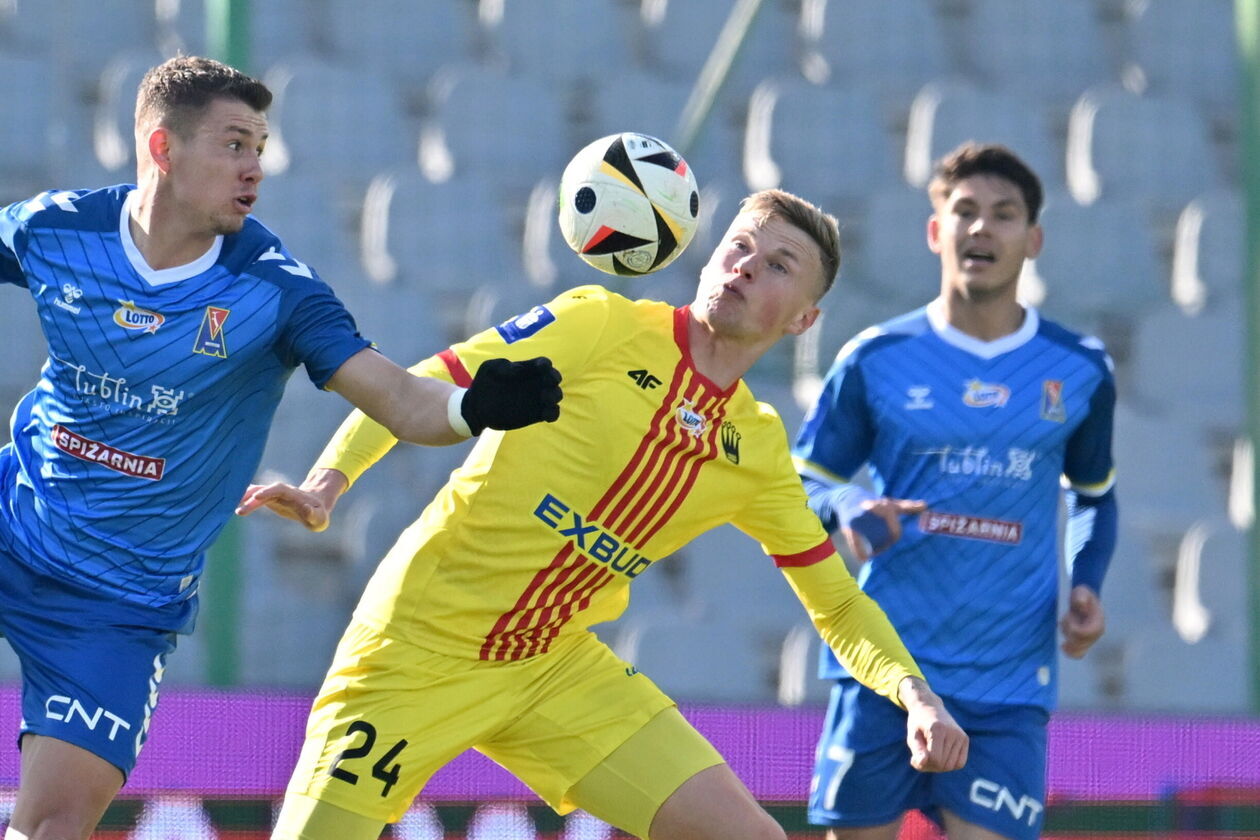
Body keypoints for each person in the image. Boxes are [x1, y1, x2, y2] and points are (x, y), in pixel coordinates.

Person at [239, 186, 970, 840]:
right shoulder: (600, 324)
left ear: (806, 319)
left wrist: (916, 697)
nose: (747, 266)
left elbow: (836, 603)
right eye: (740, 246)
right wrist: (328, 482)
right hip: (416, 643)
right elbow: (424, 382)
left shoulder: (754, 447)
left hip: (550, 665)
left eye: (778, 265)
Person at [0, 55, 562, 840]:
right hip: (13, 519)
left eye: (260, 147)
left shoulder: (274, 289)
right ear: (163, 148)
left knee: (51, 827)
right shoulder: (58, 229)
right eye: (235, 144)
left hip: (120, 606)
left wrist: (475, 407)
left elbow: (400, 400)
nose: (256, 167)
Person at [792, 143, 1118, 840]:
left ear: (1033, 239)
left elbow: (1094, 493)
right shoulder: (875, 358)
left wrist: (1087, 584)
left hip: (1008, 682)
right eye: (965, 211)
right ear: (936, 231)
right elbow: (802, 478)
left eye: (1003, 214)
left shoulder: (1079, 368)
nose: (981, 228)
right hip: (884, 670)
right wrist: (848, 506)